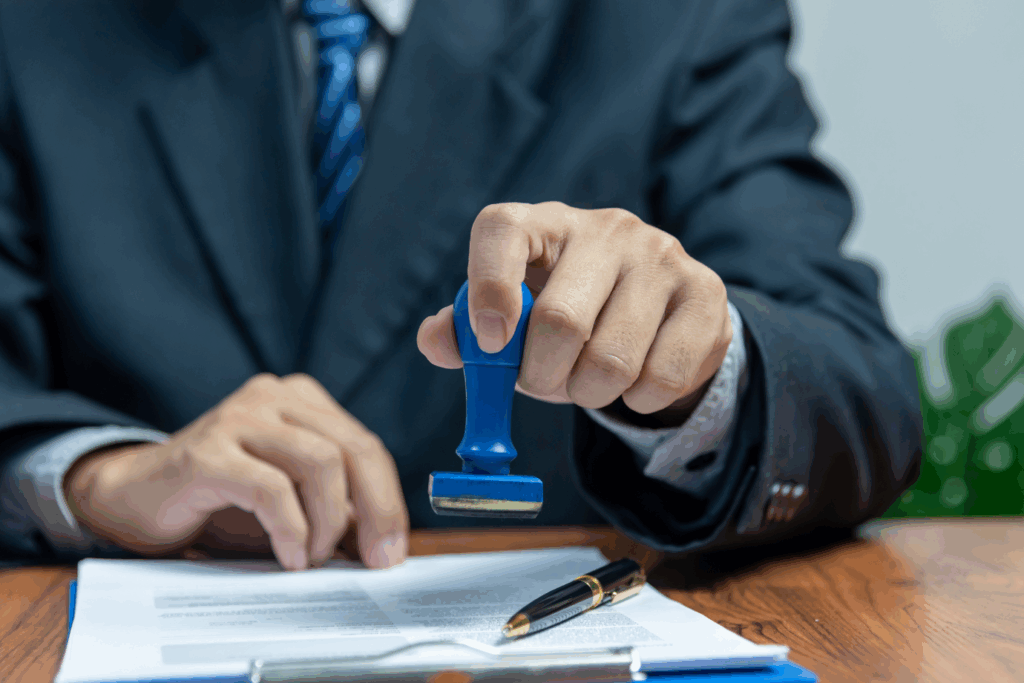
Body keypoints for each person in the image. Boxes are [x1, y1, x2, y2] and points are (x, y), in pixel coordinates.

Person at [0, 0, 921, 570]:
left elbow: (860, 386)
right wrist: (91, 478)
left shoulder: (676, 18)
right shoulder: (34, 29)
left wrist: (698, 374)